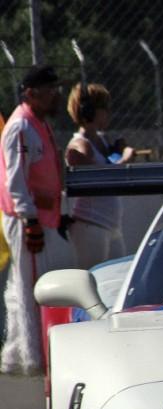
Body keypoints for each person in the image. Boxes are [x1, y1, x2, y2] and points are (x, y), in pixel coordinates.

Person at [0, 65, 66, 374]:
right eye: (49, 89)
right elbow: (16, 181)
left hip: (43, 215)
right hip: (28, 218)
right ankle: (34, 358)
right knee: (32, 287)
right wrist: (29, 219)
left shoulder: (39, 123)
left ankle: (14, 354)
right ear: (31, 92)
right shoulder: (21, 127)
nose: (56, 94)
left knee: (25, 283)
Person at [65, 82, 134, 269]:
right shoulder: (80, 145)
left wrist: (120, 150)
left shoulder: (101, 140)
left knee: (118, 277)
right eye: (103, 108)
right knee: (93, 277)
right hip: (91, 224)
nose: (107, 113)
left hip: (111, 225)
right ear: (89, 111)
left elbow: (109, 162)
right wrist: (125, 159)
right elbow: (103, 175)